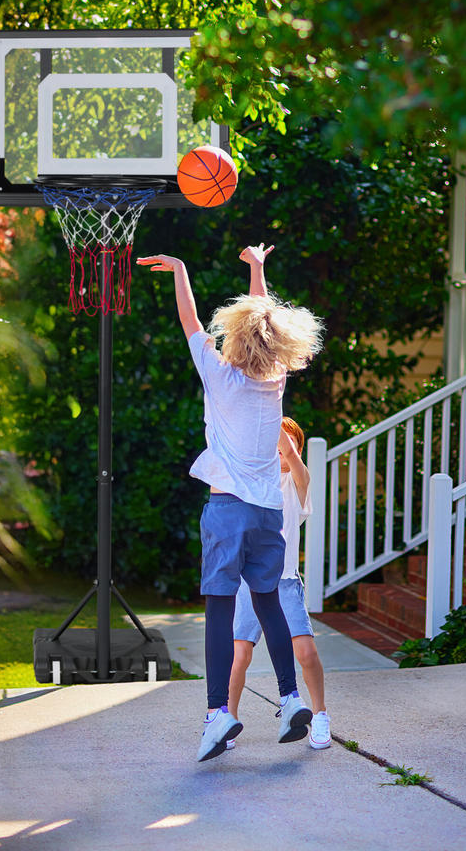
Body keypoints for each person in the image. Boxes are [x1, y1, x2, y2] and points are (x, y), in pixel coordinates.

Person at [136, 243, 324, 762]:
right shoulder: (275, 381)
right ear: (276, 342)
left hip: (227, 511)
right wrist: (258, 269)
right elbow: (263, 319)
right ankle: (290, 699)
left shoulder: (218, 375)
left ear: (235, 335)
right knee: (268, 604)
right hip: (268, 516)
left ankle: (218, 712)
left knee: (219, 608)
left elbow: (190, 320)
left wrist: (181, 268)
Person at [227, 414, 330, 751]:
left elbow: (292, 459)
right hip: (248, 584)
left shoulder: (297, 483)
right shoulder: (255, 483)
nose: (281, 452)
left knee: (306, 652)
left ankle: (320, 715)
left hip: (284, 583)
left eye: (287, 446)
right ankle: (226, 719)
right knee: (239, 655)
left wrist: (269, 410)